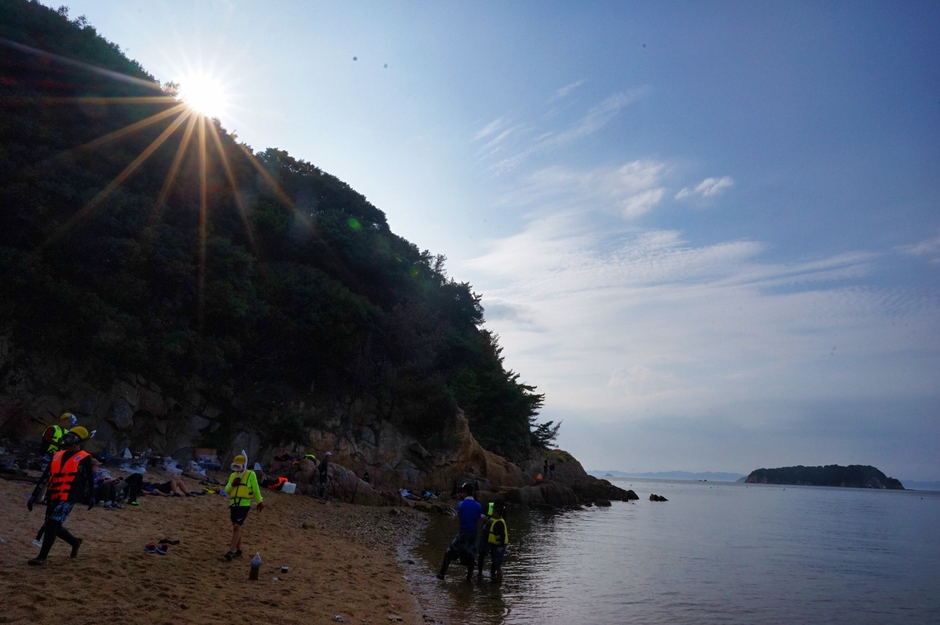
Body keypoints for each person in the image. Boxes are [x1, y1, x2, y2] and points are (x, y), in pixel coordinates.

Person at [26, 426, 94, 565]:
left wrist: (91, 496)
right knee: (54, 526)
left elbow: (89, 479)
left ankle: (42, 557)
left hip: (69, 496)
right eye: (67, 437)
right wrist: (34, 495)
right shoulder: (57, 455)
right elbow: (45, 476)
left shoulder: (85, 458)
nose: (68, 441)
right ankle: (75, 542)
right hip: (53, 494)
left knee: (51, 525)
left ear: (79, 441)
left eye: (72, 438)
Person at [437, 482, 483, 582]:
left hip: (463, 533)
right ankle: (468, 579)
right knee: (471, 556)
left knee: (449, 553)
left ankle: (441, 574)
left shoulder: (460, 505)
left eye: (462, 492)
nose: (461, 493)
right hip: (473, 534)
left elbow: (460, 516)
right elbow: (478, 518)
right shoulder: (478, 506)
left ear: (465, 492)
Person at [223, 453, 264, 561]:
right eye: (234, 466)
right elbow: (226, 490)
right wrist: (232, 484)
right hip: (233, 504)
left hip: (244, 504)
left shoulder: (251, 475)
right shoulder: (233, 476)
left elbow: (255, 489)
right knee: (237, 527)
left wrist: (260, 501)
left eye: (238, 466)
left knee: (237, 526)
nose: (236, 469)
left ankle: (231, 551)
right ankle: (239, 550)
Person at [485, 500, 509, 584]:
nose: (492, 514)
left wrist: (501, 546)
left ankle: (499, 581)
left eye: (493, 512)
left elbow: (502, 535)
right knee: (495, 562)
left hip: (499, 546)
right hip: (495, 545)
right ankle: (494, 578)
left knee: (497, 564)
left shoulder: (499, 523)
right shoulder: (497, 521)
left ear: (497, 514)